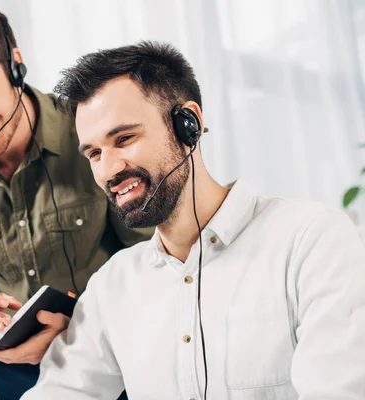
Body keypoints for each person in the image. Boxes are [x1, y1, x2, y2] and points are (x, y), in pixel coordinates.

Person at [22, 41, 365, 399]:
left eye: (124, 138)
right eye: (94, 153)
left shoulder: (311, 241)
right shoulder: (112, 286)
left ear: (189, 124)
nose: (108, 170)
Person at [0, 3, 151, 399]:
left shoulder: (90, 133)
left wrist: (79, 328)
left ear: (15, 65)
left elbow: (154, 257)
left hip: (117, 356)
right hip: (10, 376)